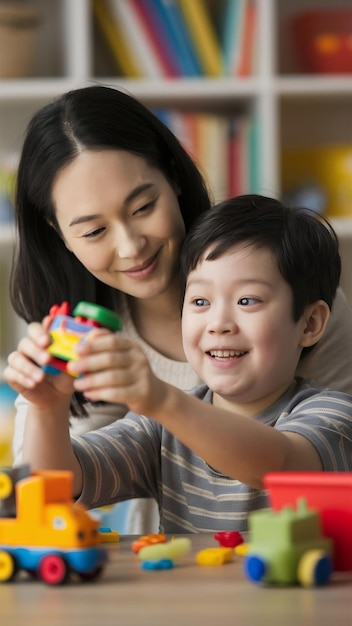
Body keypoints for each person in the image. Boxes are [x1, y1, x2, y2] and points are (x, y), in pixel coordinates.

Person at [7, 85, 352, 533]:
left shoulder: (329, 414)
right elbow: (58, 483)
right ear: (60, 234)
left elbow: (285, 463)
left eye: (144, 206)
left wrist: (160, 400)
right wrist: (48, 409)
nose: (131, 247)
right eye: (200, 301)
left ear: (310, 324)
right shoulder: (157, 428)